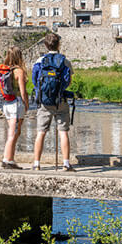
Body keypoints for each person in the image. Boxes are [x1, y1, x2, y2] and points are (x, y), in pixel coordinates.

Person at [32, 32, 75, 172]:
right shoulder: (64, 61)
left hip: (44, 102)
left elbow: (35, 81)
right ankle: (66, 164)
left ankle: (37, 164)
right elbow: (68, 82)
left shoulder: (39, 61)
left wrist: (44, 91)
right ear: (59, 44)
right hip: (60, 100)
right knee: (63, 132)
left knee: (41, 132)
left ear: (45, 45)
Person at [0, 46, 29, 169]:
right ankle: (7, 160)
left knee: (15, 132)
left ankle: (10, 159)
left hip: (6, 104)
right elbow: (23, 92)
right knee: (13, 133)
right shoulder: (19, 71)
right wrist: (26, 105)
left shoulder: (3, 70)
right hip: (16, 104)